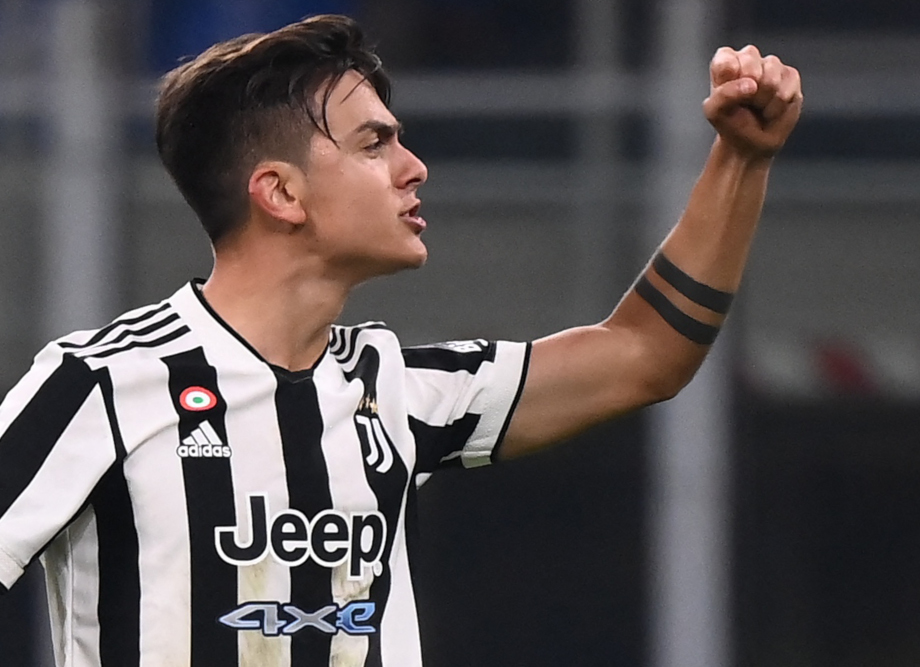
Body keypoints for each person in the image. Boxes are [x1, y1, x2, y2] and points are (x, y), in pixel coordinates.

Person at [0, 13, 801, 667]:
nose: (414, 167)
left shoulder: (392, 387)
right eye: (374, 143)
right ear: (280, 192)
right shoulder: (101, 382)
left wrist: (742, 159)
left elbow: (643, 355)